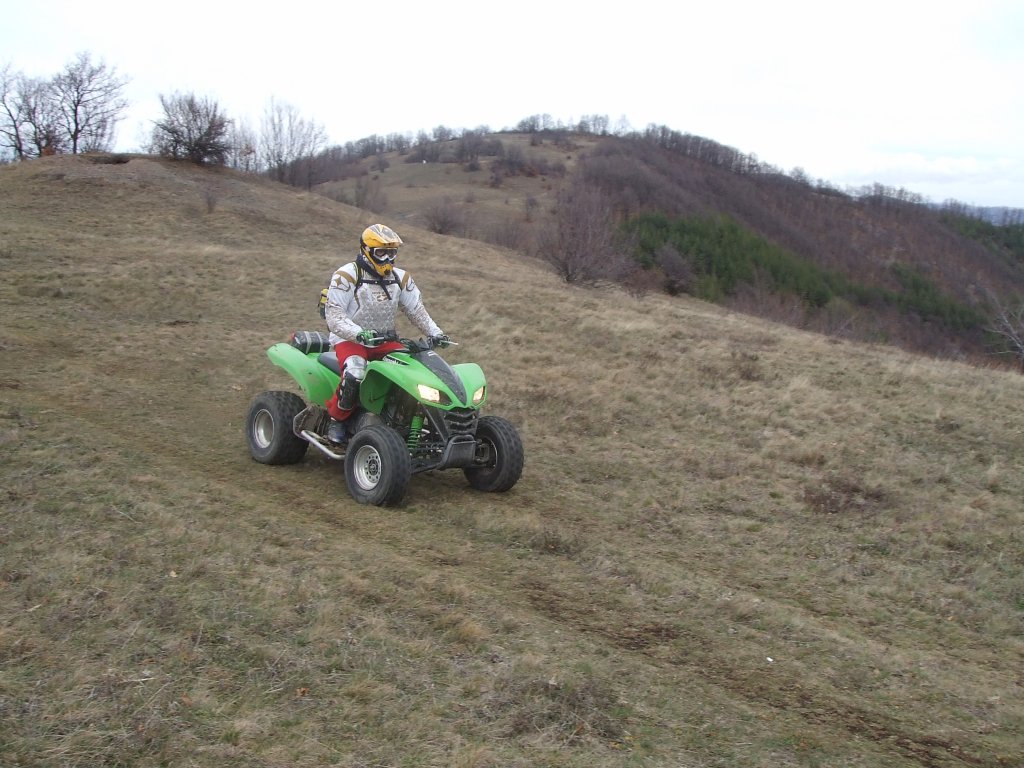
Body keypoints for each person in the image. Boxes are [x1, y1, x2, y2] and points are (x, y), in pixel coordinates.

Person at [321, 223, 449, 443]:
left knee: (415, 369)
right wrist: (358, 333)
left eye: (392, 253)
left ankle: (400, 418)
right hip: (350, 339)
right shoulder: (346, 276)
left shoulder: (400, 278)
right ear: (366, 251)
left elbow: (416, 310)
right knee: (355, 371)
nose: (388, 259)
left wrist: (436, 333)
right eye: (381, 253)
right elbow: (334, 316)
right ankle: (337, 420)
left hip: (384, 339)